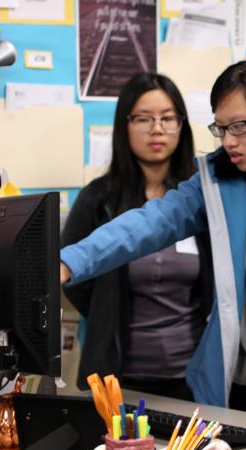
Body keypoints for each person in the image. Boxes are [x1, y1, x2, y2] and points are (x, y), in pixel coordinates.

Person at [61, 59, 246, 426]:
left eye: (239, 126)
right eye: (220, 128)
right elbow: (150, 222)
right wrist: (70, 260)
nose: (229, 141)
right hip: (229, 385)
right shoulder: (217, 182)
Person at [61, 72, 211, 399]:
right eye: (143, 118)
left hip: (193, 378)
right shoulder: (97, 200)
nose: (156, 129)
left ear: (182, 126)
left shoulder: (202, 200)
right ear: (124, 125)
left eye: (168, 118)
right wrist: (107, 311)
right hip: (116, 378)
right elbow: (73, 277)